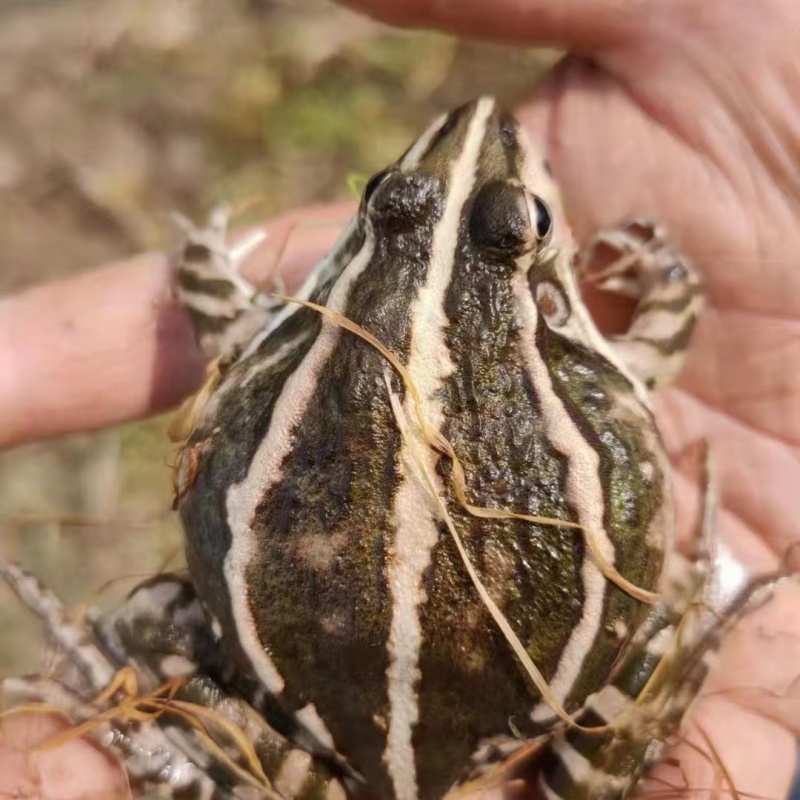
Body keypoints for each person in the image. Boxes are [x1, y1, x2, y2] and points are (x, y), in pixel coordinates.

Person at [1, 0, 799, 797]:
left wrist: (207, 258)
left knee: (158, 624)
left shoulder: (288, 337)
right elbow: (669, 323)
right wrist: (670, 273)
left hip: (296, 728)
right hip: (538, 728)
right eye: (393, 197)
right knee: (661, 617)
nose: (480, 125)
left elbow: (216, 309)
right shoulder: (592, 372)